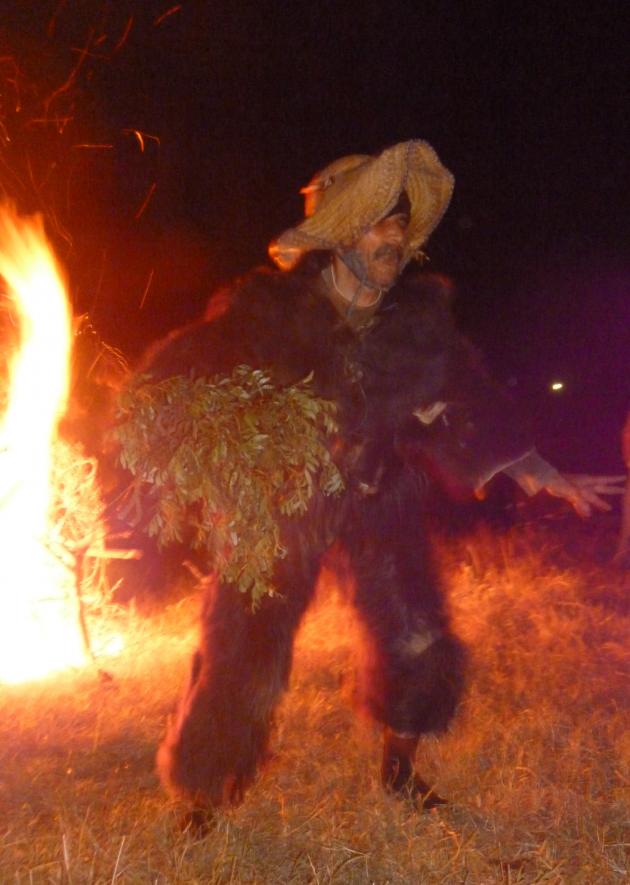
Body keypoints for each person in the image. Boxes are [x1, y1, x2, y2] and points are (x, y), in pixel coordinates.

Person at [138, 141, 623, 824]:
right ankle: (205, 792)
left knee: (419, 638)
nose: (394, 235)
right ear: (336, 234)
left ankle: (400, 770)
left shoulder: (417, 321)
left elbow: (468, 390)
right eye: (377, 222)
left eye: (399, 224)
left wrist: (536, 468)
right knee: (243, 655)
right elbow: (179, 380)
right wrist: (172, 440)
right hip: (282, 503)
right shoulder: (265, 312)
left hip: (375, 493)